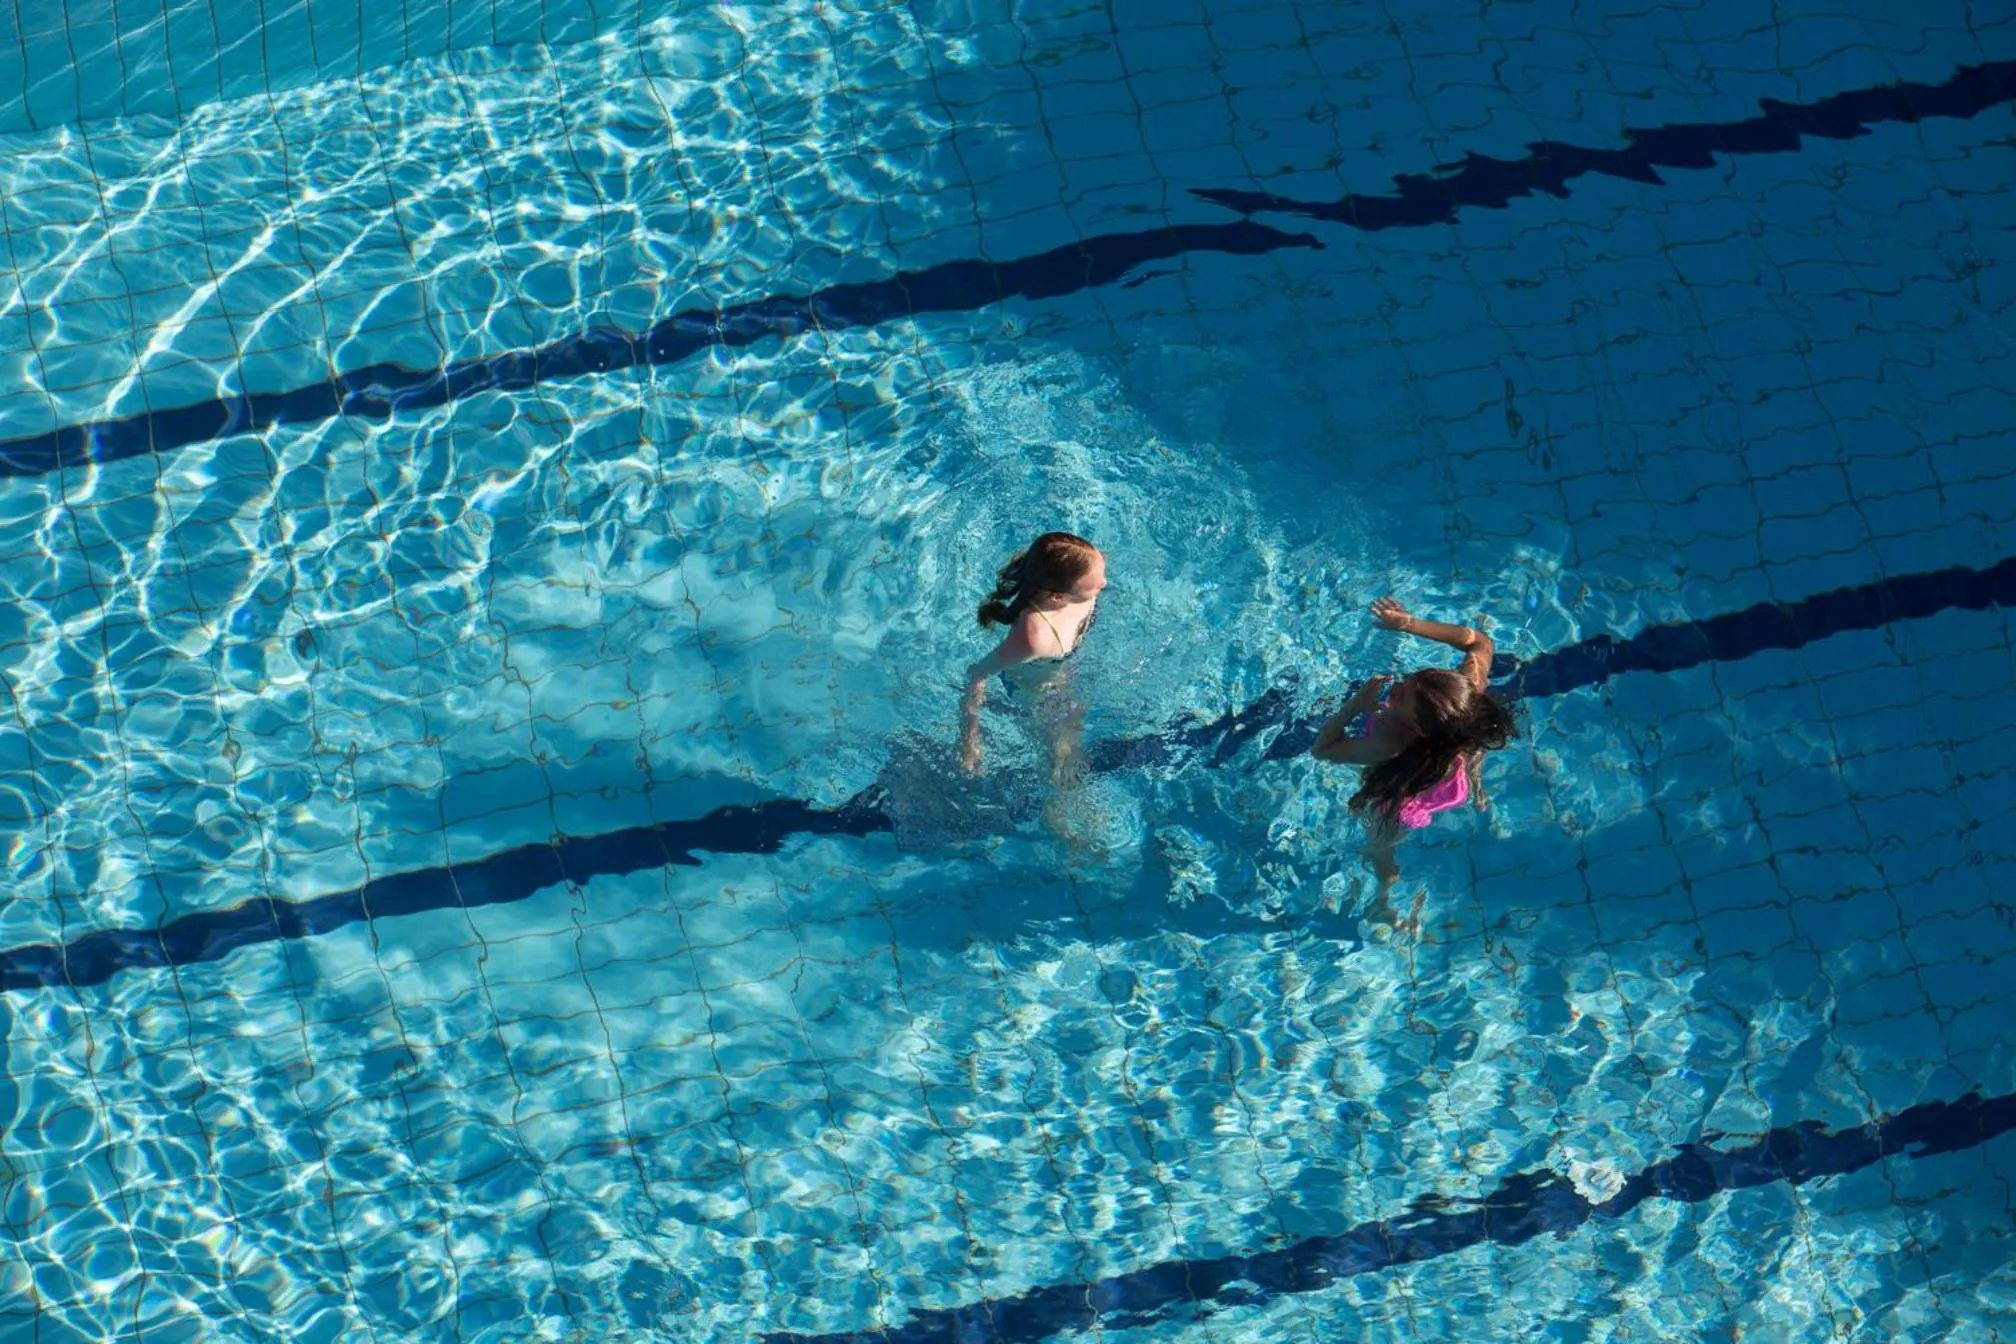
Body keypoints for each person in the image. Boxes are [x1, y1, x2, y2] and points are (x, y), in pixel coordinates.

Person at [1310, 595, 1515, 903]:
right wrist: (1409, 624)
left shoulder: (1388, 743)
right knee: (1469, 745)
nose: (1398, 686)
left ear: (1417, 727)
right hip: (1453, 779)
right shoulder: (1466, 697)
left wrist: (1356, 706)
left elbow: (1322, 750)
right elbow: (1480, 643)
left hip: (1409, 798)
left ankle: (1384, 898)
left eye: (1401, 696)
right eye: (1410, 681)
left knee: (1379, 846)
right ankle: (1475, 780)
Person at [959, 532, 1107, 783]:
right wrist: (969, 741)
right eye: (1094, 585)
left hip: (1064, 671)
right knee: (1062, 764)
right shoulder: (1033, 638)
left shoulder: (1077, 572)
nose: (1103, 583)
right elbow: (976, 674)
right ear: (1059, 597)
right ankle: (1056, 816)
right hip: (1036, 690)